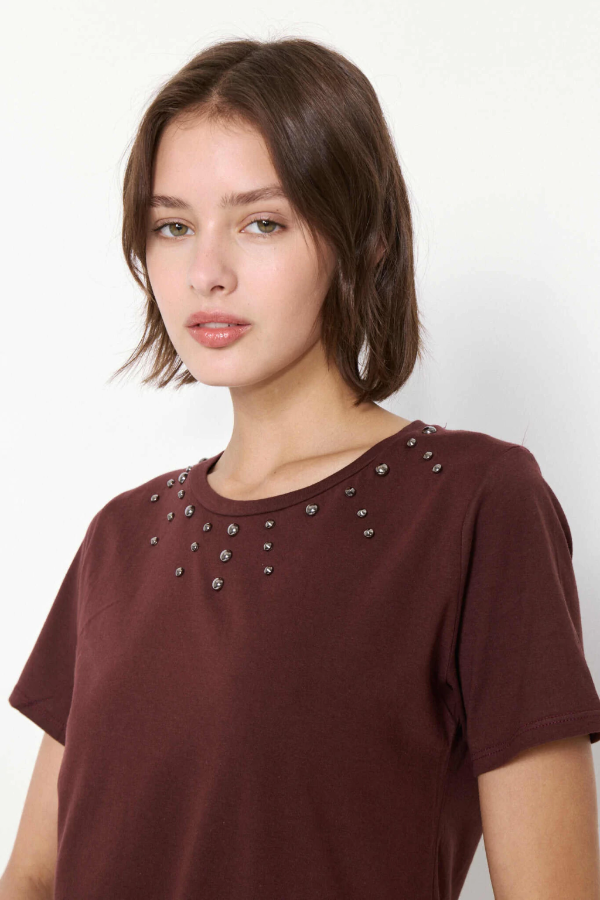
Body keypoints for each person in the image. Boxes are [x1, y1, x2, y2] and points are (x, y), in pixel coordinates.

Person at [3, 36, 600, 900]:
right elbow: (31, 876)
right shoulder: (121, 537)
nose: (206, 273)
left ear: (365, 239)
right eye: (173, 226)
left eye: (262, 222)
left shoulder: (475, 502)